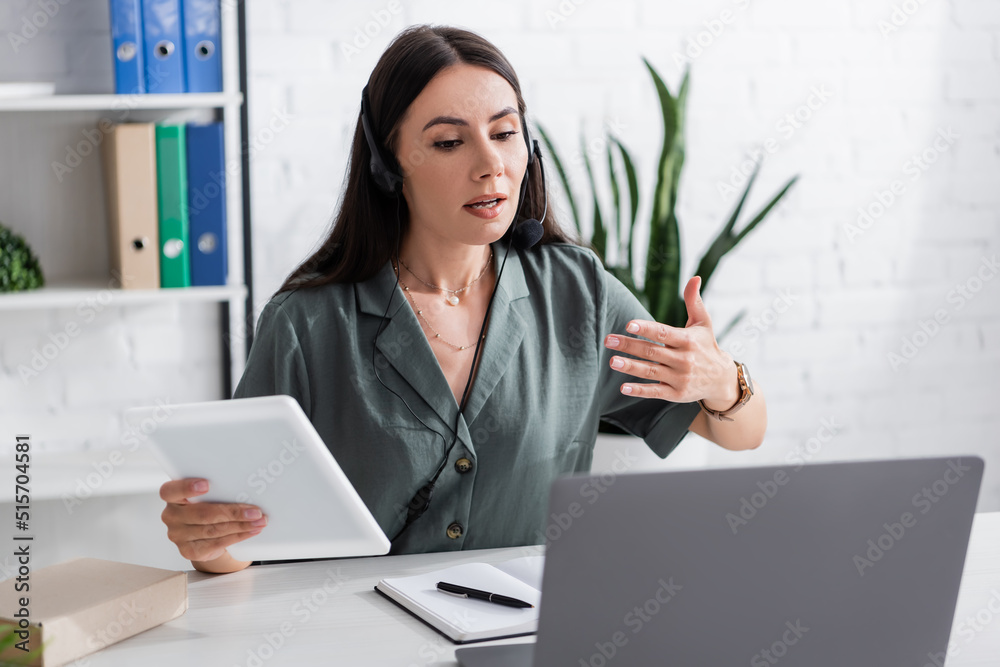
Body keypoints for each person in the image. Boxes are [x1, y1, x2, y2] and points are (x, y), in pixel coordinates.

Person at [159, 24, 767, 575]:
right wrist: (210, 541)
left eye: (504, 133)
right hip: (360, 639)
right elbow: (242, 534)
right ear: (389, 165)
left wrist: (721, 380)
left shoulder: (576, 291)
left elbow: (741, 433)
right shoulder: (306, 324)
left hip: (525, 634)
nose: (490, 164)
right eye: (450, 142)